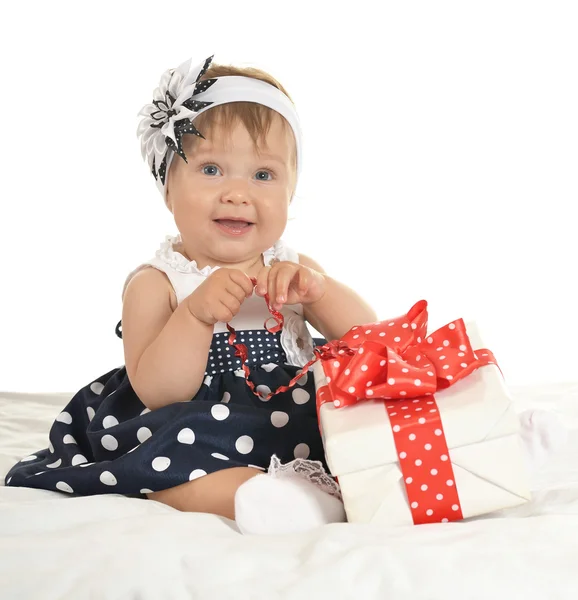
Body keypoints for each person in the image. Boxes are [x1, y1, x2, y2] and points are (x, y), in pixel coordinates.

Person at [4, 54, 378, 535]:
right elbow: (159, 392)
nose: (237, 193)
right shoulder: (157, 282)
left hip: (297, 413)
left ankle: (369, 475)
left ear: (290, 193)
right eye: (211, 170)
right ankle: (274, 501)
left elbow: (369, 337)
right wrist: (196, 316)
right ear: (167, 189)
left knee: (368, 422)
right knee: (171, 467)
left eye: (263, 176)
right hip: (199, 425)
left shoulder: (293, 269)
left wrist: (321, 293)